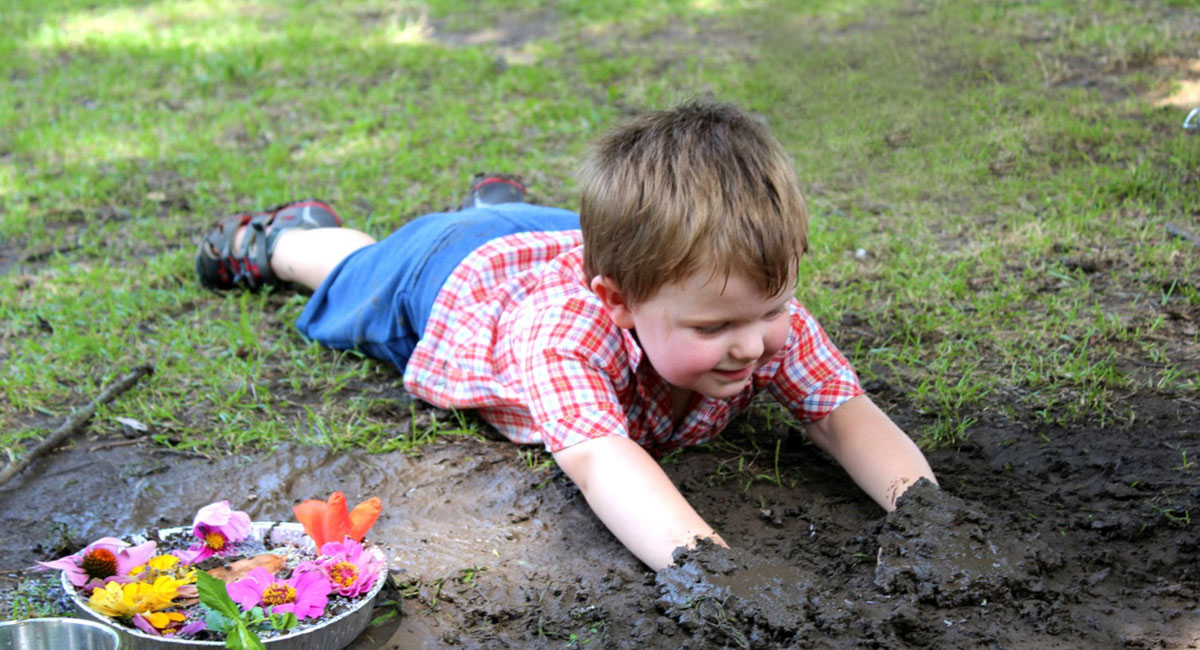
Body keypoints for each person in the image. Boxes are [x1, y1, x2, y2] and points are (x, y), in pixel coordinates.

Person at [195, 100, 937, 570]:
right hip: (448, 274)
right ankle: (288, 236)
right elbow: (603, 459)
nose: (754, 344)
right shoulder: (565, 339)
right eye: (716, 327)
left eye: (772, 309)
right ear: (617, 300)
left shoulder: (750, 312)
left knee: (548, 233)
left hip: (557, 237)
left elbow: (845, 416)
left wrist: (929, 512)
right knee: (352, 272)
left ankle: (500, 204)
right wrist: (711, 571)